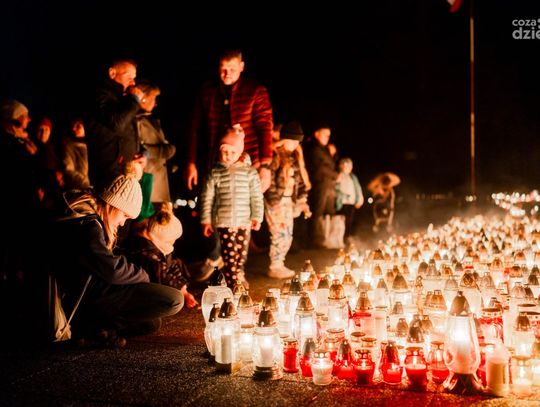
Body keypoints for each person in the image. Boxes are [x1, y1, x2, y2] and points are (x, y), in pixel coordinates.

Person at [51, 175, 183, 343]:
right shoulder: (88, 225)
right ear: (112, 204)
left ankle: (99, 329)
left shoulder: (87, 218)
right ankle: (88, 327)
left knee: (151, 323)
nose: (122, 223)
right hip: (82, 300)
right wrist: (141, 275)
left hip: (90, 294)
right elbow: (111, 269)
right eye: (125, 215)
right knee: (174, 300)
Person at [185, 50, 273, 277]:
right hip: (214, 160)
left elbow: (265, 126)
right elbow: (195, 128)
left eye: (232, 69)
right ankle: (216, 256)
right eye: (223, 69)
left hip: (247, 161)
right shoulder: (208, 91)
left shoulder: (255, 91)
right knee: (214, 203)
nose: (227, 73)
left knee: (241, 207)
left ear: (242, 66)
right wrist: (191, 162)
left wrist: (265, 164)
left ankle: (237, 265)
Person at [199, 126, 264, 288]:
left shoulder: (250, 172)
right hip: (224, 221)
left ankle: (239, 274)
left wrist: (257, 217)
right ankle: (232, 282)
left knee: (241, 253)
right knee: (229, 254)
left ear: (240, 151)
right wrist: (206, 221)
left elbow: (256, 196)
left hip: (244, 221)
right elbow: (207, 198)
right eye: (225, 151)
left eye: (233, 152)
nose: (228, 155)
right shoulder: (215, 172)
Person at [86, 59, 147, 193]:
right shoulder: (100, 95)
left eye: (134, 78)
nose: (133, 83)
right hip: (108, 174)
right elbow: (117, 123)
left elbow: (129, 132)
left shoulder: (124, 99)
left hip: (126, 172)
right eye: (128, 77)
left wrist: (142, 153)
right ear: (112, 73)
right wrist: (134, 100)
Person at [125, 203, 198, 309]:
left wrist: (184, 291)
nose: (173, 244)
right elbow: (164, 276)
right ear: (160, 239)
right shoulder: (147, 256)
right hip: (142, 294)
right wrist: (181, 293)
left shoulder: (158, 245)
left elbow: (171, 265)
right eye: (171, 241)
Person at [265, 121, 310, 279]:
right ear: (285, 139)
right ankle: (275, 266)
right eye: (293, 141)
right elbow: (270, 181)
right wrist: (274, 202)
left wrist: (302, 200)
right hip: (276, 202)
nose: (296, 144)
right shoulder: (275, 155)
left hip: (288, 202)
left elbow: (301, 181)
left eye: (298, 142)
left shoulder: (295, 157)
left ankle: (280, 263)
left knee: (288, 234)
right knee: (279, 233)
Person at [136, 80, 176, 204]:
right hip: (149, 181)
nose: (155, 104)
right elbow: (138, 147)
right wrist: (166, 150)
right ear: (143, 98)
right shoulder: (137, 121)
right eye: (153, 99)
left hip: (156, 180)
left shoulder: (151, 120)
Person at [305, 126, 338, 247]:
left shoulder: (324, 149)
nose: (327, 138)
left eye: (329, 135)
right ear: (317, 134)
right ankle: (314, 239)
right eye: (325, 134)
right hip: (320, 183)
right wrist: (335, 175)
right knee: (317, 210)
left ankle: (326, 237)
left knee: (328, 211)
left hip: (328, 183)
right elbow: (320, 168)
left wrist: (332, 154)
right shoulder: (314, 148)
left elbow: (331, 164)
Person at [335, 157, 364, 245]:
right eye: (346, 165)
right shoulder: (339, 175)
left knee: (349, 222)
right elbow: (336, 187)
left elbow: (358, 188)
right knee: (341, 221)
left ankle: (347, 238)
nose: (348, 167)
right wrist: (342, 195)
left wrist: (359, 199)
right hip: (342, 202)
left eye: (350, 166)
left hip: (351, 202)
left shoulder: (352, 177)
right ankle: (339, 239)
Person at [62, 118, 90, 190]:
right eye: (72, 126)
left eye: (78, 126)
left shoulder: (92, 145)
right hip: (81, 189)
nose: (73, 129)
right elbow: (68, 170)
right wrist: (86, 184)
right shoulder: (70, 146)